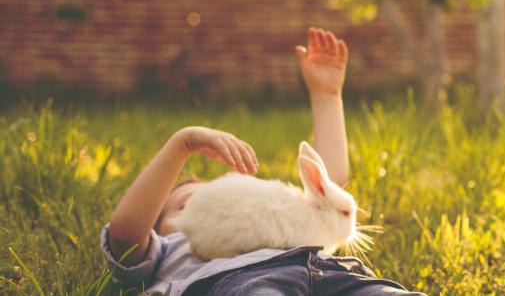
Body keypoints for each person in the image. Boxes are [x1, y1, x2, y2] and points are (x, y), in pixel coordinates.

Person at [101, 27, 422, 295]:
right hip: (239, 282)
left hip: (329, 271)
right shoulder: (170, 249)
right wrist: (181, 144)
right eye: (184, 206)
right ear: (159, 231)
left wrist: (327, 95)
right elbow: (125, 236)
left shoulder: (281, 223)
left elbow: (329, 189)